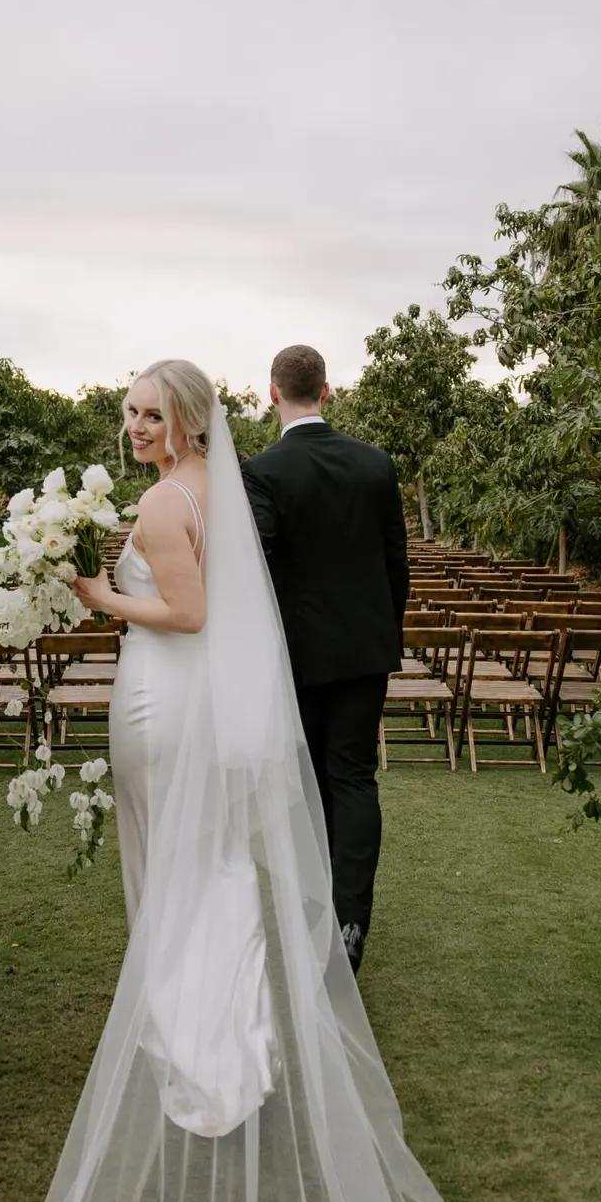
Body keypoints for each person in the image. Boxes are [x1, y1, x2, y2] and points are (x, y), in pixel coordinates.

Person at [60, 359, 446, 1202]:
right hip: (315, 663)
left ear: (193, 417)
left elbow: (196, 610)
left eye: (150, 414)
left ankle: (199, 1050)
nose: (135, 427)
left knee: (173, 870)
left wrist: (98, 594)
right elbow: (377, 563)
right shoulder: (230, 482)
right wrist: (385, 631)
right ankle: (253, 1022)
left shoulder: (184, 495)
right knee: (228, 857)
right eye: (129, 413)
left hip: (172, 695)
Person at [238, 343, 409, 972]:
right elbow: (398, 565)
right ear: (327, 391)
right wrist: (382, 636)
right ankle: (351, 921)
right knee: (355, 778)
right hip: (366, 650)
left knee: (308, 783)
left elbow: (258, 568)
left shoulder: (262, 471)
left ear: (273, 394)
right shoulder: (376, 464)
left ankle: (316, 913)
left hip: (298, 656)